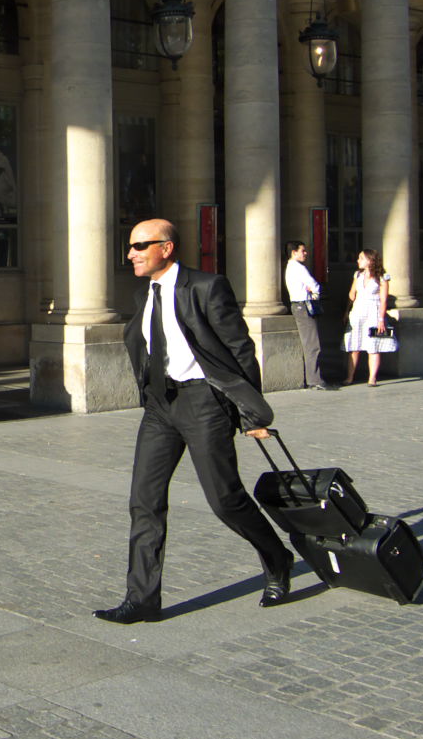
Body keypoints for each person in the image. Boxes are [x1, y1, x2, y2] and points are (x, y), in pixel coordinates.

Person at [96, 219, 298, 625]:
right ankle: (142, 599)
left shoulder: (205, 287)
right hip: (160, 406)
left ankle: (277, 557)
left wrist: (250, 414)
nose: (131, 253)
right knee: (144, 501)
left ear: (166, 248)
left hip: (203, 401)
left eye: (139, 246)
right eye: (130, 246)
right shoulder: (144, 294)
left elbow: (240, 349)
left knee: (225, 500)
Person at [342, 248, 397, 387]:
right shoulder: (358, 275)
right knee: (354, 346)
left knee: (373, 346)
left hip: (373, 311)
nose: (358, 260)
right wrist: (347, 311)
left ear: (370, 260)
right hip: (358, 311)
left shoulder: (382, 277)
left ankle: (372, 378)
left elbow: (384, 299)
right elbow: (352, 293)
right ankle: (350, 377)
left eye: (361, 258)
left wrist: (381, 319)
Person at [284, 241, 332, 390]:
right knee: (312, 344)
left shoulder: (290, 267)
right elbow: (314, 285)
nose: (305, 253)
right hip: (303, 305)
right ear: (294, 252)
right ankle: (314, 379)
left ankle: (313, 378)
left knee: (310, 342)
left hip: (298, 305)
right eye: (302, 251)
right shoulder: (299, 268)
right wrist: (316, 294)